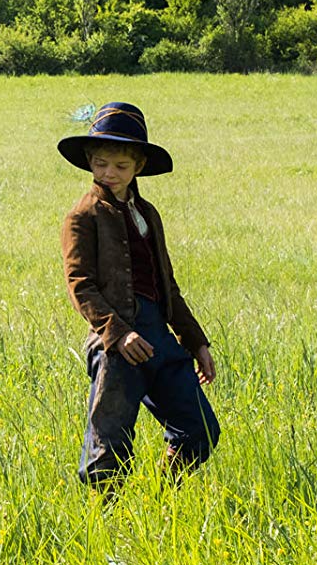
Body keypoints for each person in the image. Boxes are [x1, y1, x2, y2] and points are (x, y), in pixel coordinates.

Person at [58, 102, 219, 491]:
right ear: (89, 162)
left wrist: (196, 342)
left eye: (120, 166)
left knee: (200, 429)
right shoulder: (83, 215)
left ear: (139, 166)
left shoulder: (148, 212)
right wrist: (117, 333)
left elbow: (168, 286)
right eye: (100, 164)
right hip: (117, 345)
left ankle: (165, 498)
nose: (109, 173)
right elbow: (80, 283)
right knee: (107, 445)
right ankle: (109, 525)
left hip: (160, 339)